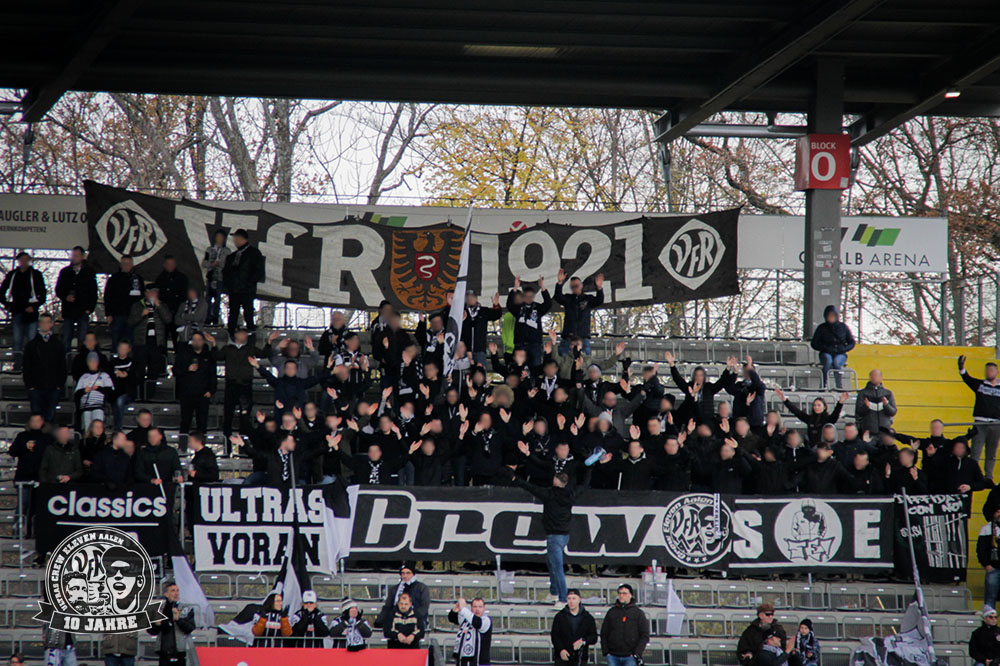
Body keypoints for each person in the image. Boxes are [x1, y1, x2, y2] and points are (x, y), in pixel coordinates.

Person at [513, 467, 591, 606]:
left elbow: (530, 487)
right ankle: (554, 592)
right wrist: (589, 468)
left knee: (557, 568)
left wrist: (516, 479)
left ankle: (563, 598)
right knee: (551, 563)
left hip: (554, 536)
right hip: (564, 535)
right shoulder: (570, 495)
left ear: (555, 480)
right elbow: (584, 485)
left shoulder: (549, 494)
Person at [9, 413, 51, 536]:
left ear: (42, 422)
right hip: (23, 477)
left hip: (40, 478)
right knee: (22, 505)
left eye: (38, 421)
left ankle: (34, 532)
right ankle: (17, 532)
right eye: (33, 421)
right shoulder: (22, 436)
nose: (35, 423)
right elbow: (12, 451)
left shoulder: (47, 438)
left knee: (38, 506)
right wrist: (25, 446)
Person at [960, 355, 1000, 482]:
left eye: (991, 370)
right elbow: (967, 379)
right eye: (987, 371)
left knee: (991, 453)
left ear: (997, 372)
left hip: (996, 424)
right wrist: (961, 369)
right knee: (976, 451)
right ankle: (974, 476)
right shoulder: (980, 385)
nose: (989, 373)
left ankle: (989, 477)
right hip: (980, 423)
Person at [1, 251, 46, 363]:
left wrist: (34, 306)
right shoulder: (12, 275)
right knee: (18, 340)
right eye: (22, 260)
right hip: (17, 312)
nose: (24, 262)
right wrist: (8, 305)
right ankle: (17, 364)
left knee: (32, 340)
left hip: (31, 313)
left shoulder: (35, 275)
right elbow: (2, 291)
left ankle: (31, 364)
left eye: (26, 260)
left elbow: (42, 293)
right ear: (18, 261)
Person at [129, 285, 172, 398]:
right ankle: (138, 394)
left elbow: (168, 319)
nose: (153, 294)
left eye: (155, 292)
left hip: (156, 343)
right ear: (146, 293)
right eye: (151, 292)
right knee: (139, 370)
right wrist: (141, 315)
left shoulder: (162, 305)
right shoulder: (137, 305)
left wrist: (159, 306)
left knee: (154, 370)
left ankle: (150, 395)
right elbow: (131, 322)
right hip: (141, 342)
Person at [23, 313, 66, 422]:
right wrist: (30, 386)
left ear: (51, 324)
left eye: (47, 322)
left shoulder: (58, 344)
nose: (44, 324)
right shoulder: (31, 345)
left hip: (53, 387)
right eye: (42, 322)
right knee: (37, 418)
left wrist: (59, 385)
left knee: (50, 419)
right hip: (36, 387)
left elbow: (62, 366)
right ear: (39, 324)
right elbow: (27, 367)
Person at [55, 245, 98, 353]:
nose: (74, 258)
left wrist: (89, 309)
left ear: (83, 257)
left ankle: (80, 361)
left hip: (83, 310)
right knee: (66, 340)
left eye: (77, 256)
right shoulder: (65, 272)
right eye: (73, 255)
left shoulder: (89, 272)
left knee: (82, 341)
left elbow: (93, 292)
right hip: (68, 310)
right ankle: (65, 362)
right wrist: (66, 297)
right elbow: (58, 289)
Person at [174, 332, 216, 437]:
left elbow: (213, 374)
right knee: (185, 422)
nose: (197, 342)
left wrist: (211, 390)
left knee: (202, 423)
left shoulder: (208, 356)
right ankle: (183, 445)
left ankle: (201, 445)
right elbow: (175, 371)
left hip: (203, 395)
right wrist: (187, 369)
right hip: (186, 394)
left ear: (203, 342)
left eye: (199, 339)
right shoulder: (183, 354)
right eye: (195, 340)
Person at [223, 228, 265, 336]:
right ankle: (231, 331)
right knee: (233, 311)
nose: (234, 241)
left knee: (248, 309)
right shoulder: (232, 256)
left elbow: (259, 271)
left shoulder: (254, 253)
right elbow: (226, 271)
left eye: (236, 238)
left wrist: (249, 283)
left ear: (241, 238)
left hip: (247, 289)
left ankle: (250, 329)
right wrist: (229, 284)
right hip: (234, 289)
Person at [554, 269, 604, 355]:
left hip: (583, 338)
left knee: (584, 361)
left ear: (582, 285)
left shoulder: (588, 299)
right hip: (568, 338)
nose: (575, 288)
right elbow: (558, 297)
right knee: (564, 361)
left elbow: (599, 300)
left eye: (577, 286)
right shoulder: (568, 298)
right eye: (572, 287)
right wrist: (559, 283)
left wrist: (599, 288)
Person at [507, 275, 552, 368]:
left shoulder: (538, 307)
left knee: (535, 367)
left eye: (531, 296)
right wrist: (515, 288)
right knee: (519, 367)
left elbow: (548, 304)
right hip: (520, 343)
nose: (529, 298)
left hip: (535, 344)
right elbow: (509, 305)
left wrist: (542, 287)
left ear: (534, 297)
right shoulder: (519, 308)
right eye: (526, 296)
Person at [600, 584, 649, 666]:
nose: (621, 596)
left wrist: (637, 653)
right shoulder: (611, 612)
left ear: (631, 595)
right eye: (620, 593)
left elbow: (644, 635)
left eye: (624, 593)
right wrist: (606, 652)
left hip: (630, 657)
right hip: (612, 656)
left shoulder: (638, 613)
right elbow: (604, 633)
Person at [147, 582, 194, 666]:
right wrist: (156, 625)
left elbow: (190, 628)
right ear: (166, 594)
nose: (176, 593)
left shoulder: (186, 609)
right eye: (173, 591)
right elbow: (151, 631)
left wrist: (178, 620)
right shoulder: (159, 609)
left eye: (177, 591)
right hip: (164, 651)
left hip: (180, 650)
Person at [103, 254, 144, 347]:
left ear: (132, 265)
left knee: (131, 341)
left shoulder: (138, 279)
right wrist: (108, 314)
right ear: (120, 264)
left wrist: (140, 314)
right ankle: (115, 356)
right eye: (124, 263)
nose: (126, 266)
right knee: (116, 340)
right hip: (117, 315)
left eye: (128, 263)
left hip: (133, 316)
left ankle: (130, 356)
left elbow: (142, 297)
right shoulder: (113, 279)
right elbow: (108, 297)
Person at [810, 305, 855, 388]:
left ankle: (839, 385)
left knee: (836, 363)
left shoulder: (843, 327)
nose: (831, 318)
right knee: (828, 362)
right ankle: (823, 384)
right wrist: (824, 348)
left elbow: (852, 342)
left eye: (833, 315)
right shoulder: (821, 328)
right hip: (826, 352)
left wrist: (844, 349)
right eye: (829, 316)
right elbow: (814, 343)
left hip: (840, 353)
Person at [551, 589, 598, 665]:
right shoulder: (559, 616)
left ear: (579, 600)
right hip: (562, 658)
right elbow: (555, 636)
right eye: (569, 598)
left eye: (574, 598)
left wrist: (583, 641)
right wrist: (561, 650)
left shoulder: (588, 617)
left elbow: (593, 637)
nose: (571, 601)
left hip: (580, 658)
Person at [377, 562, 431, 629]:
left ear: (413, 574)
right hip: (397, 620)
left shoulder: (422, 588)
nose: (405, 576)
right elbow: (388, 606)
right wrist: (380, 620)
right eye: (403, 573)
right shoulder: (395, 589)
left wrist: (412, 617)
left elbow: (424, 607)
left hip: (416, 621)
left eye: (408, 573)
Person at [74, 352, 114, 433]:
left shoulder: (104, 376)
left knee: (98, 426)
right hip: (85, 407)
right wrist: (84, 391)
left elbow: (110, 390)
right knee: (87, 428)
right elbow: (76, 393)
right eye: (90, 362)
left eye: (94, 362)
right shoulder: (83, 377)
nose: (92, 364)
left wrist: (99, 388)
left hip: (98, 406)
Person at [461, 291, 503, 366]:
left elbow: (497, 315)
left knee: (480, 370)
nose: (471, 300)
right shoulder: (462, 312)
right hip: (464, 349)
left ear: (476, 299)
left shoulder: (483, 311)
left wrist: (496, 305)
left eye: (473, 298)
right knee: (465, 370)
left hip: (480, 349)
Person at [154, 255, 190, 342]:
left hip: (177, 312)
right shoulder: (160, 279)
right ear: (164, 265)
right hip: (164, 313)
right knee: (163, 336)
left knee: (177, 336)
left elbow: (185, 296)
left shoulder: (182, 278)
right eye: (168, 264)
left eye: (172, 264)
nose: (170, 266)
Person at [450, 597, 492, 666]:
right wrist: (455, 609)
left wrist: (463, 609)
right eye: (475, 607)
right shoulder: (467, 619)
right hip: (464, 661)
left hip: (480, 663)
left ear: (484, 608)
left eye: (480, 607)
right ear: (471, 608)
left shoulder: (486, 620)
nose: (477, 609)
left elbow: (477, 622)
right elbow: (452, 618)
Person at [855, 370, 897, 437]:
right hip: (868, 431)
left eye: (877, 375)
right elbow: (858, 412)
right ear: (870, 378)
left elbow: (893, 412)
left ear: (881, 378)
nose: (875, 377)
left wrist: (886, 405)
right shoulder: (863, 393)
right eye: (873, 375)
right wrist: (866, 407)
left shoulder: (888, 393)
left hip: (884, 431)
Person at [202, 229, 230, 325]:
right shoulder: (209, 250)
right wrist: (211, 264)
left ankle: (215, 318)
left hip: (220, 278)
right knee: (208, 298)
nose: (219, 239)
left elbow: (228, 265)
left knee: (217, 299)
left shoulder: (227, 251)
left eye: (221, 237)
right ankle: (207, 317)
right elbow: (204, 263)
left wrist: (220, 264)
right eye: (218, 237)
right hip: (210, 277)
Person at [979, 510, 1000, 612]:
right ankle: (989, 618)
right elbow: (981, 549)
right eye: (998, 511)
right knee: (990, 599)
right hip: (993, 569)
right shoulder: (986, 529)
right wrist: (986, 564)